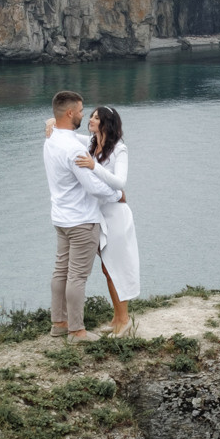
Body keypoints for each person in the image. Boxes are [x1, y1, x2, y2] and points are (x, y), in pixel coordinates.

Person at [43, 90, 121, 340]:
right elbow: (93, 185)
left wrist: (50, 122)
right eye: (80, 111)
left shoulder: (52, 139)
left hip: (60, 219)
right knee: (77, 276)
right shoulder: (73, 150)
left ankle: (59, 323)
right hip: (82, 221)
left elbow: (61, 130)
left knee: (60, 272)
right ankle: (77, 331)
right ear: (69, 113)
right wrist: (117, 195)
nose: (83, 115)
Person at [75, 105, 137, 336]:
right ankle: (117, 317)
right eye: (90, 116)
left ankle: (124, 320)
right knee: (106, 268)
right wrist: (51, 123)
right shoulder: (91, 144)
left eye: (96, 118)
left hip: (117, 214)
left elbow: (120, 182)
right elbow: (68, 135)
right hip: (99, 213)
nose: (90, 120)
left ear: (106, 124)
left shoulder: (119, 149)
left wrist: (94, 167)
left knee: (115, 268)